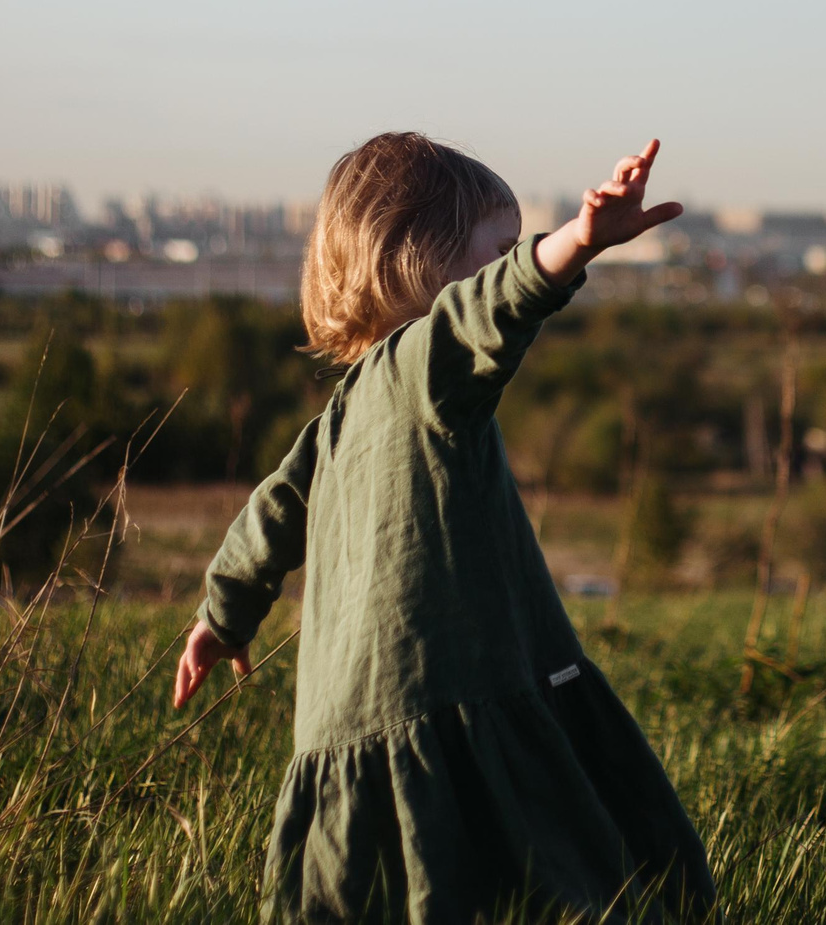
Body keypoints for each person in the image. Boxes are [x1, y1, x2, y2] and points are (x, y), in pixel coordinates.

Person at [173, 131, 712, 923]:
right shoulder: (426, 366)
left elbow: (271, 514)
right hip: (454, 687)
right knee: (549, 882)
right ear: (416, 261)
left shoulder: (337, 418)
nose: (508, 262)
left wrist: (220, 615)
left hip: (349, 721)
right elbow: (491, 308)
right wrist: (577, 242)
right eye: (497, 248)